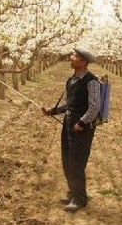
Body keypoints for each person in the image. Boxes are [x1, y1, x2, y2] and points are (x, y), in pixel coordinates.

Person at [42, 47, 101, 213]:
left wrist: (82, 123)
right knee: (67, 162)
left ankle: (80, 199)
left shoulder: (92, 81)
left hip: (81, 129)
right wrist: (52, 111)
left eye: (74, 56)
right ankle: (73, 193)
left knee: (77, 163)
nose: (71, 57)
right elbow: (69, 104)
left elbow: (95, 105)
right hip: (68, 125)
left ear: (83, 62)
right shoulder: (72, 80)